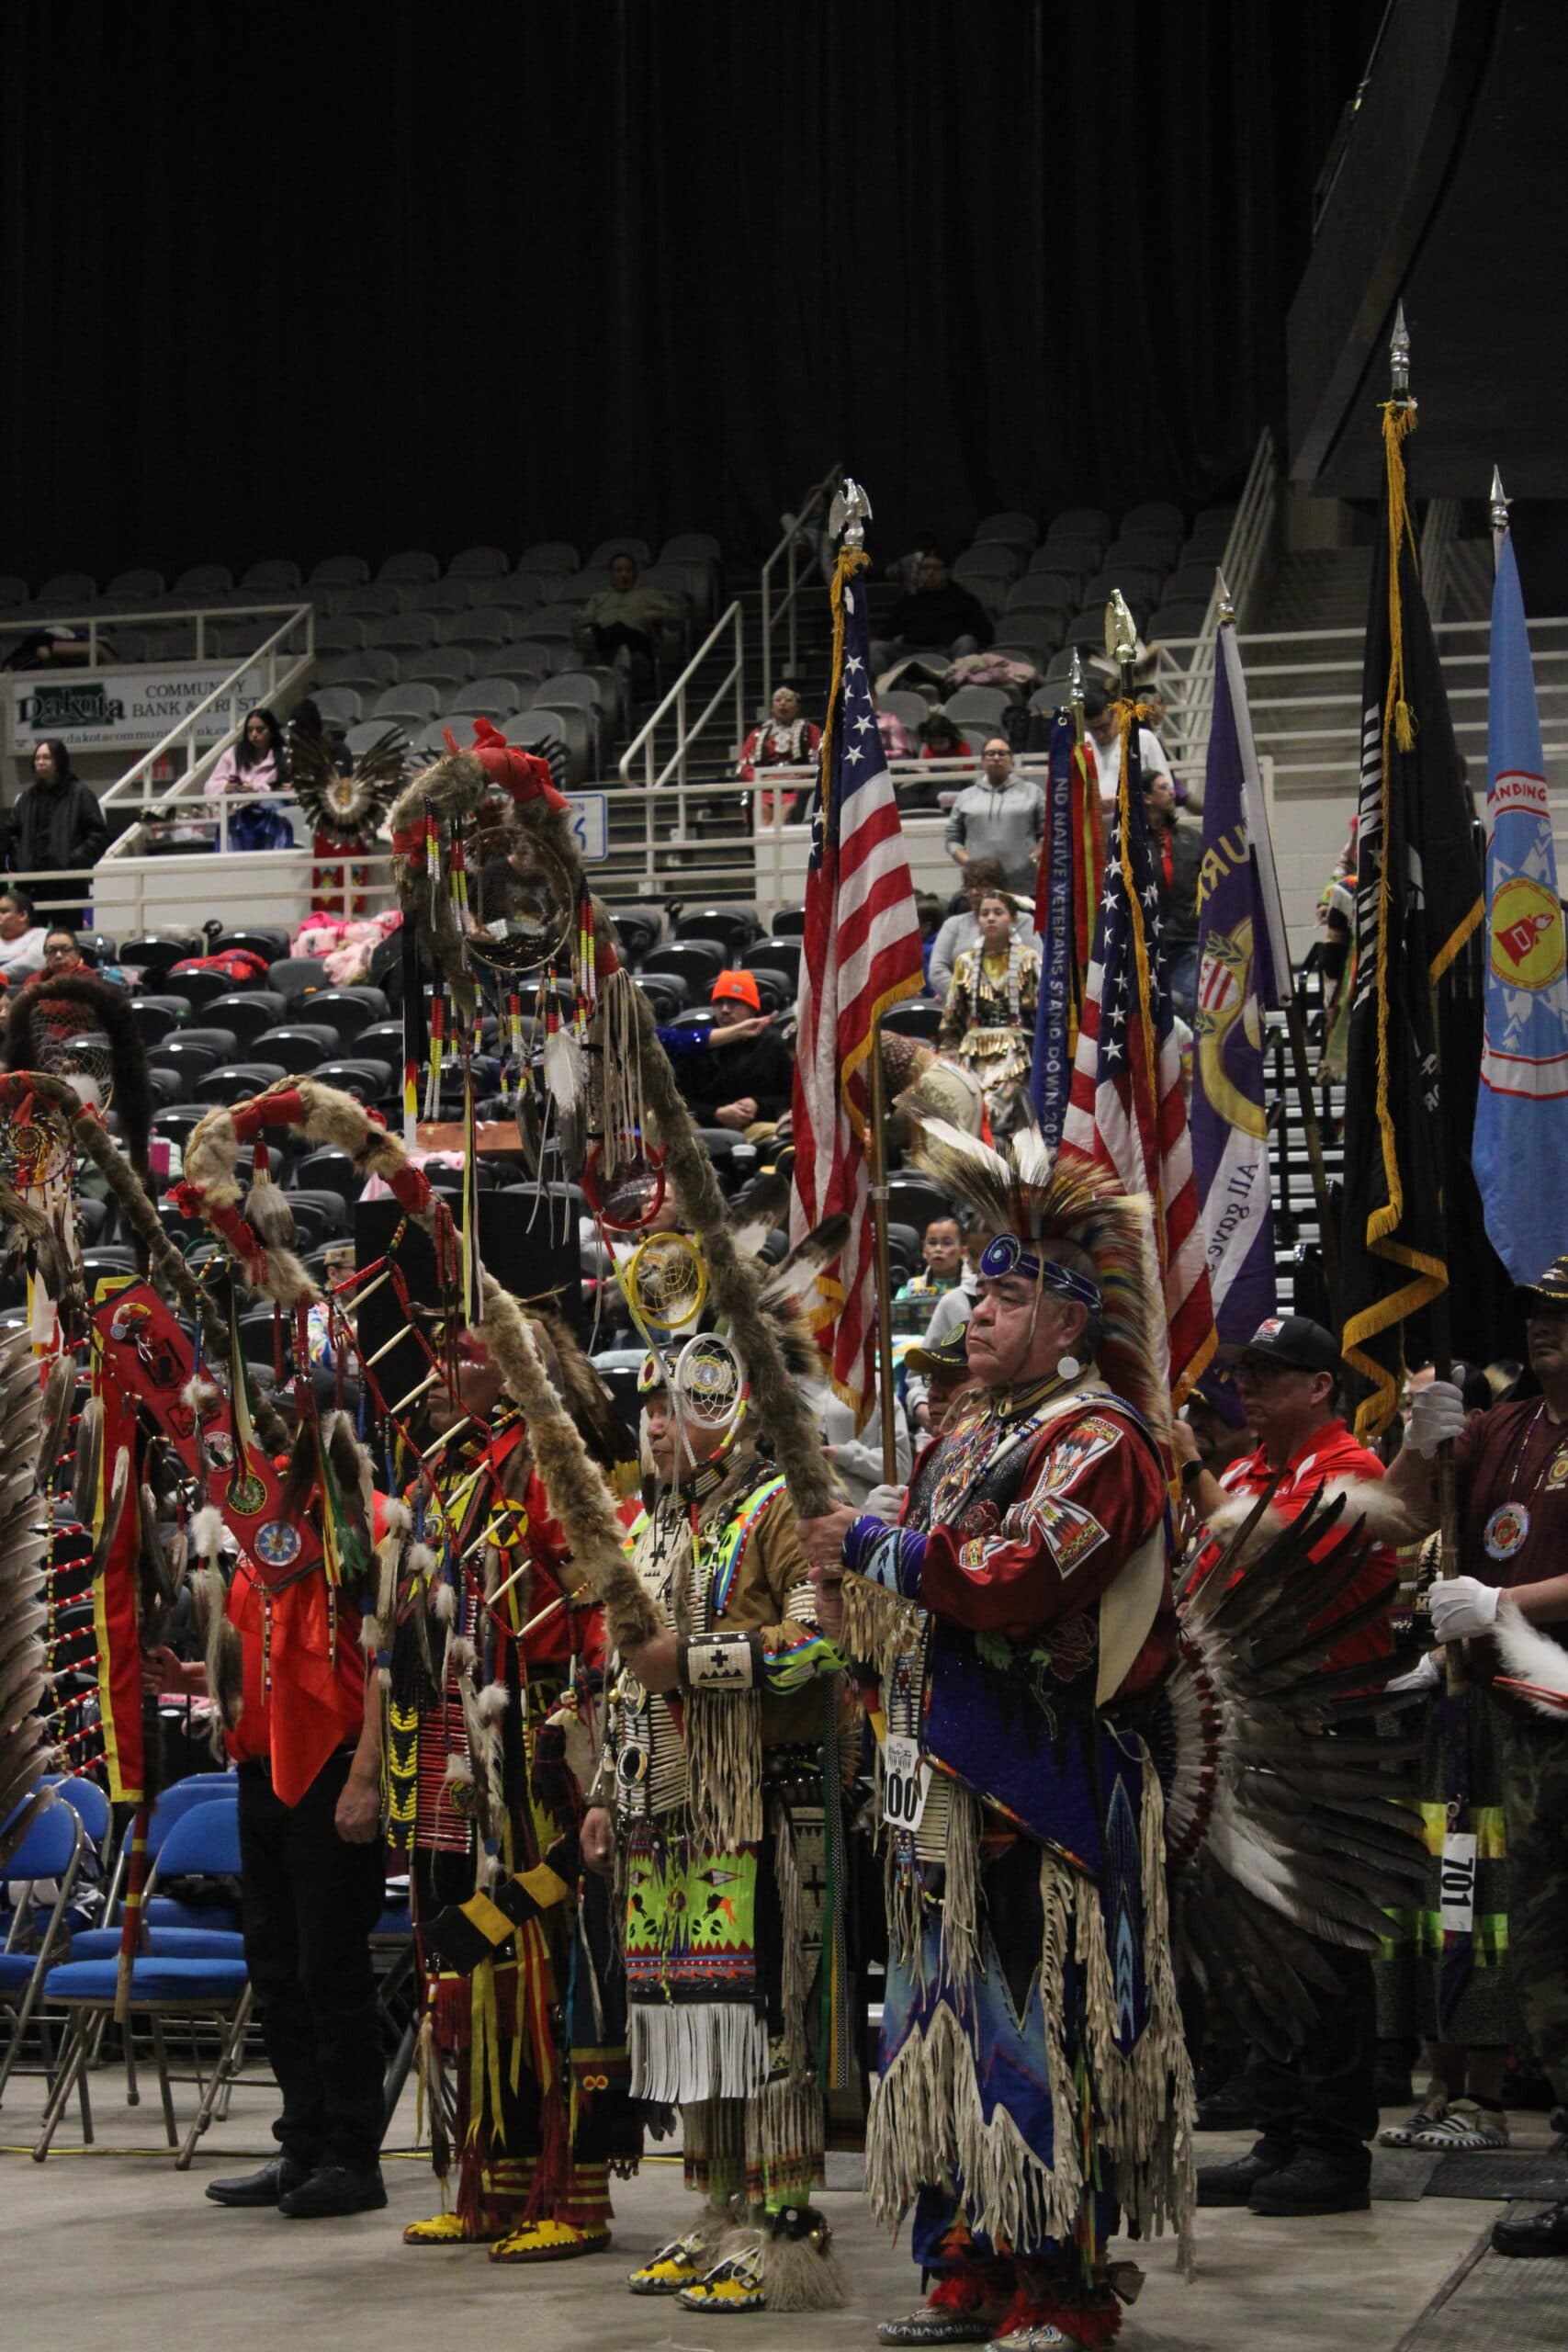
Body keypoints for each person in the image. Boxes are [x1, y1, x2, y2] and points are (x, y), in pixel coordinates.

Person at [797, 1148, 1193, 2352]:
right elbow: (926, 1594)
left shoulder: (1102, 1444)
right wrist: (853, 1601)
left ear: (1066, 1320)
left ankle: (1059, 2285)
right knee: (931, 2036)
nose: (975, 1310)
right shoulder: (967, 1437)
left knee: (1033, 2037)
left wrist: (875, 1550)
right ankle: (963, 2259)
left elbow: (1015, 1581)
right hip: (939, 1794)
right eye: (975, 1289)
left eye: (1006, 1295)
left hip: (1040, 1797)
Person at [581, 1348, 847, 2313]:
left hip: (764, 1803)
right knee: (696, 2023)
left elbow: (821, 1641)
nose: (653, 1423)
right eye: (647, 1407)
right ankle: (721, 2209)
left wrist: (690, 1661)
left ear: (726, 1406)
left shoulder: (778, 1504)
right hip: (672, 1811)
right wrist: (610, 1789)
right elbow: (626, 1675)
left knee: (766, 2020)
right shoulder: (656, 1523)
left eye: (672, 1404)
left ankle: (785, 2225)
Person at [1178, 1314, 1402, 2217]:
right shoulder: (1247, 1471)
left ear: (1322, 1387)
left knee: (1326, 1935)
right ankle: (1280, 2128)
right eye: (1247, 1374)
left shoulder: (1353, 1472)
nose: (1251, 1390)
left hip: (1328, 1728)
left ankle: (1334, 2144)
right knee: (1264, 1932)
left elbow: (1257, 1552)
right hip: (1256, 1732)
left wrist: (1187, 1464)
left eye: (1274, 1376)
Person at [1382, 1255, 1568, 2257]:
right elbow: (1410, 1515)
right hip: (1508, 1718)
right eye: (1539, 1317)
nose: (1546, 1332)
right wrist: (1423, 1443)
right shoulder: (1508, 1427)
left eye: (1566, 1320)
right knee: (1539, 1958)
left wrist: (1503, 1604)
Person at [937, 889, 1041, 1131]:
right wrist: (948, 1056)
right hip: (972, 1052)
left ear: (1013, 919)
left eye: (998, 913)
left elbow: (1045, 1011)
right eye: (984, 914)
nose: (990, 918)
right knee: (965, 1102)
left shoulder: (1029, 959)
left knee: (999, 1103)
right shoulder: (966, 962)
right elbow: (952, 1014)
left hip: (1017, 1054)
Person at [664, 969, 794, 1135]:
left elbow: (789, 1098)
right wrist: (715, 1114)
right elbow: (677, 1098)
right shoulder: (699, 1041)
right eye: (719, 1003)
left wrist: (758, 1105)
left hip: (755, 1126)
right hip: (702, 1124)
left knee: (778, 1134)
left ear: (752, 1009)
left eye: (734, 1002)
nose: (725, 1009)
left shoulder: (773, 1043)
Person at [7, 740, 108, 905]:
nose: (40, 762)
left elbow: (98, 836)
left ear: (59, 761)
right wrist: (20, 860)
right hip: (30, 884)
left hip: (67, 884)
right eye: (37, 758)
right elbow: (12, 834)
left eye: (46, 757)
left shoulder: (80, 794)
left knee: (67, 931)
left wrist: (71, 861)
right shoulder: (26, 798)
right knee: (32, 931)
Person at [929, 854, 1039, 998]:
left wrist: (999, 999)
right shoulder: (953, 925)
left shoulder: (1023, 922)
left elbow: (1036, 966)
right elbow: (937, 970)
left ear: (999, 888)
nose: (974, 892)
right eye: (970, 886)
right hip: (963, 1006)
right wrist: (966, 996)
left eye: (982, 886)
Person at [869, 550, 992, 678]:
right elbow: (886, 632)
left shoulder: (963, 598)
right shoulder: (909, 600)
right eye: (925, 568)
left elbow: (985, 633)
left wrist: (953, 635)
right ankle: (884, 689)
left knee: (967, 642)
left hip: (947, 650)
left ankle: (958, 685)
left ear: (947, 572)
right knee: (875, 647)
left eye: (936, 568)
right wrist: (894, 638)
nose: (930, 572)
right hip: (911, 650)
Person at [943, 740, 1044, 896]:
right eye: (991, 754)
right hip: (979, 887)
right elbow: (952, 839)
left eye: (1002, 753)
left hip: (1025, 885)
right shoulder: (966, 796)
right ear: (982, 760)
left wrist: (1033, 859)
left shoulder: (1033, 792)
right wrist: (970, 863)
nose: (996, 758)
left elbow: (1049, 834)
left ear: (1012, 759)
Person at [1144, 766, 1201, 1020]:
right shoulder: (1128, 845)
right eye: (1163, 788)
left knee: (1188, 1005)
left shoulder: (1192, 839)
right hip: (1148, 945)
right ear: (1147, 797)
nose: (1171, 793)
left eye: (1171, 788)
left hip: (1189, 939)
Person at [578, 552, 678, 696]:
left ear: (635, 573)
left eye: (628, 570)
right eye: (619, 571)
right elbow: (585, 621)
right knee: (600, 632)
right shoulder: (598, 598)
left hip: (637, 640)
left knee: (619, 629)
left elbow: (675, 616)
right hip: (605, 639)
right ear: (611, 574)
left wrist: (656, 615)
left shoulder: (648, 594)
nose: (624, 575)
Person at [739, 684, 822, 825]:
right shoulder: (757, 734)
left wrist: (799, 776)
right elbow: (743, 766)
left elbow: (822, 760)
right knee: (761, 811)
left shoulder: (811, 731)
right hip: (765, 788)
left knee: (785, 812)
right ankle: (764, 846)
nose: (783, 704)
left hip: (797, 789)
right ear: (772, 707)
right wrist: (761, 780)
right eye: (778, 700)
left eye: (789, 700)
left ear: (797, 706)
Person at [1082, 683, 1174, 807]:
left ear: (1116, 713)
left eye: (1104, 727)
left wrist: (1122, 802)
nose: (1100, 735)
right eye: (1093, 730)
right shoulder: (1082, 745)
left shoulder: (1144, 739)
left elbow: (1167, 792)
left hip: (1136, 821)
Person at [891, 1214, 964, 1338]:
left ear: (962, 1251)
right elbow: (897, 1328)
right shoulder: (910, 1288)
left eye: (947, 1243)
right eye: (932, 1243)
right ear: (924, 1250)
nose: (938, 1249)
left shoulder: (972, 1287)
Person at [205, 705, 288, 798]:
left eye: (260, 730)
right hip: (235, 810)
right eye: (250, 730)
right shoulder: (233, 753)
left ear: (272, 731)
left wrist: (256, 790)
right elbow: (209, 786)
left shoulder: (285, 755)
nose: (254, 734)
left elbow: (288, 789)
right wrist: (225, 787)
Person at [0, 886, 48, 978]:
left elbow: (32, 965)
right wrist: (14, 958)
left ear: (23, 915)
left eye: (3, 912)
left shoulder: (41, 935)